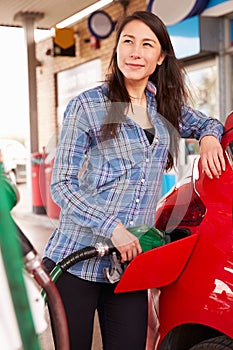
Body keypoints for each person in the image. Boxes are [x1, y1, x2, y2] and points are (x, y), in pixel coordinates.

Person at [43, 10, 226, 350]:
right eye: (127, 42)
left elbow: (208, 122)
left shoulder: (166, 107)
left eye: (146, 44)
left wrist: (209, 137)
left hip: (129, 268)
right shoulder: (88, 107)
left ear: (161, 57)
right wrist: (113, 226)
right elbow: (62, 184)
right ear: (116, 51)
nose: (135, 52)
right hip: (75, 260)